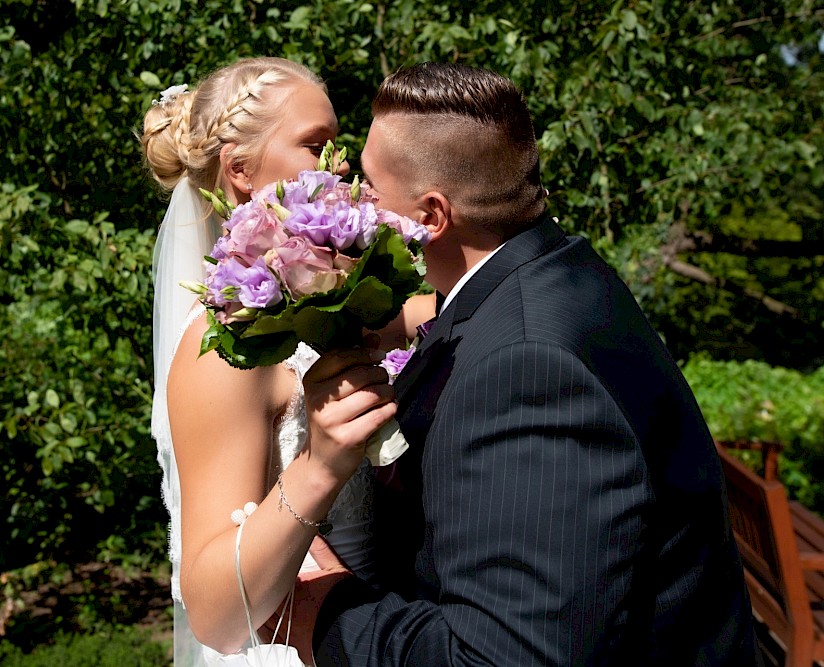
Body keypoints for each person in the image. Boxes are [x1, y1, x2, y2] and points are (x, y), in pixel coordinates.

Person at [286, 63, 761, 666]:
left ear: (432, 216)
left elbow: (510, 657)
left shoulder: (527, 370)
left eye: (372, 189)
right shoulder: (558, 269)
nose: (358, 200)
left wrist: (326, 614)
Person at [140, 57, 427, 666]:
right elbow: (216, 616)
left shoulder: (346, 308)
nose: (340, 165)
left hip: (381, 633)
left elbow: (456, 304)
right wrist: (320, 465)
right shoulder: (223, 350)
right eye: (315, 145)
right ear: (239, 171)